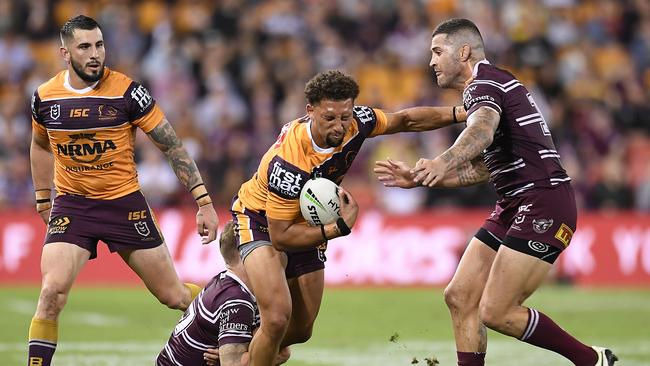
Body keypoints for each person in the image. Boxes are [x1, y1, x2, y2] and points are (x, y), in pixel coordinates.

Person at [374, 18, 617, 366]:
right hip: (516, 201)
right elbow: (485, 168)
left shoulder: (482, 84)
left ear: (463, 52)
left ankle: (592, 361)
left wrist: (442, 161)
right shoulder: (496, 84)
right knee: (459, 295)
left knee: (497, 311)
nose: (431, 61)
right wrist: (422, 177)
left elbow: (482, 132)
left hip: (542, 200)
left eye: (437, 51)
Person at [230, 69, 467, 365]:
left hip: (307, 219)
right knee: (277, 318)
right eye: (329, 118)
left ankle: (244, 347)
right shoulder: (289, 163)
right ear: (310, 111)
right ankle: (242, 350)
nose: (339, 126)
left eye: (345, 116)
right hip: (261, 219)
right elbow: (280, 237)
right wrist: (337, 227)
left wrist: (462, 112)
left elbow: (404, 120)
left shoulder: (359, 122)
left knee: (301, 330)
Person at [28, 15, 219, 366]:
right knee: (51, 294)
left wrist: (203, 200)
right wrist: (43, 195)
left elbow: (172, 145)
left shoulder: (127, 92)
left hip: (123, 205)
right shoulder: (45, 98)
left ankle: (231, 309)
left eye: (99, 44)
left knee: (173, 296)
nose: (95, 53)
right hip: (74, 207)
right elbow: (40, 145)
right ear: (65, 53)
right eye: (84, 46)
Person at [157, 221, 290, 366]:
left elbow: (281, 350)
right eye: (265, 249)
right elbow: (236, 363)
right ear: (245, 252)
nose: (276, 256)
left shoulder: (232, 285)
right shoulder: (236, 300)